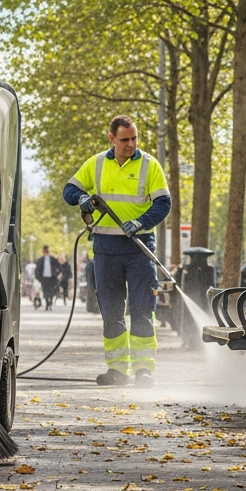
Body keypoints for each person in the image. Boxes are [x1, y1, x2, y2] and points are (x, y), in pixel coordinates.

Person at [63, 114, 172, 388]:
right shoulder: (96, 163)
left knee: (142, 311)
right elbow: (68, 190)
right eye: (125, 140)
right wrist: (83, 199)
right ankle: (117, 371)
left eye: (134, 138)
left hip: (139, 250)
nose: (131, 144)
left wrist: (140, 222)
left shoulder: (150, 165)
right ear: (112, 138)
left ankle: (144, 370)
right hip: (106, 251)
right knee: (111, 313)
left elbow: (163, 203)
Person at [33, 245, 58, 310]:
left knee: (52, 291)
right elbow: (37, 270)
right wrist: (39, 278)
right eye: (44, 251)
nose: (46, 253)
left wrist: (57, 274)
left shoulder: (53, 260)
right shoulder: (40, 260)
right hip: (44, 278)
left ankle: (50, 300)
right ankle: (47, 303)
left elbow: (59, 267)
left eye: (47, 251)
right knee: (45, 291)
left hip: (52, 278)